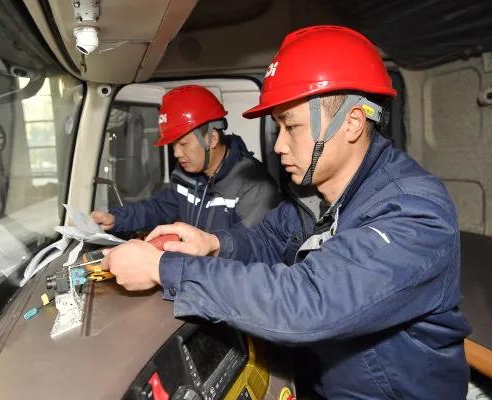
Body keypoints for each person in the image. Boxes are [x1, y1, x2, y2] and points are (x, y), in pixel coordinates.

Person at [101, 26, 471, 399]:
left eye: (291, 126)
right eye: (278, 127)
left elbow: (310, 302)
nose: (279, 145)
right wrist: (212, 244)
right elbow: (268, 238)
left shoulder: (413, 211)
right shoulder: (316, 195)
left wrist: (164, 268)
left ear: (352, 123)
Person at [91, 84, 280, 233]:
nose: (176, 153)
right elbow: (159, 207)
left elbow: (248, 255)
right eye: (173, 145)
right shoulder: (186, 173)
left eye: (183, 143)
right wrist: (117, 218)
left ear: (211, 139)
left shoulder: (255, 188)